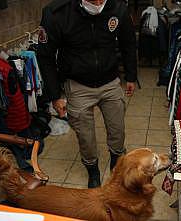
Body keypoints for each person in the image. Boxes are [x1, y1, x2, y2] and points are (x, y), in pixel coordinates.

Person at [37, 0, 137, 188]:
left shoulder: (118, 8)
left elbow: (128, 43)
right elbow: (45, 56)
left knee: (117, 128)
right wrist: (55, 95)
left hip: (110, 81)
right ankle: (92, 169)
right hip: (78, 84)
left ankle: (116, 159)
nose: (98, 3)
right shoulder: (56, 13)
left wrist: (130, 76)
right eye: (93, 0)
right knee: (85, 136)